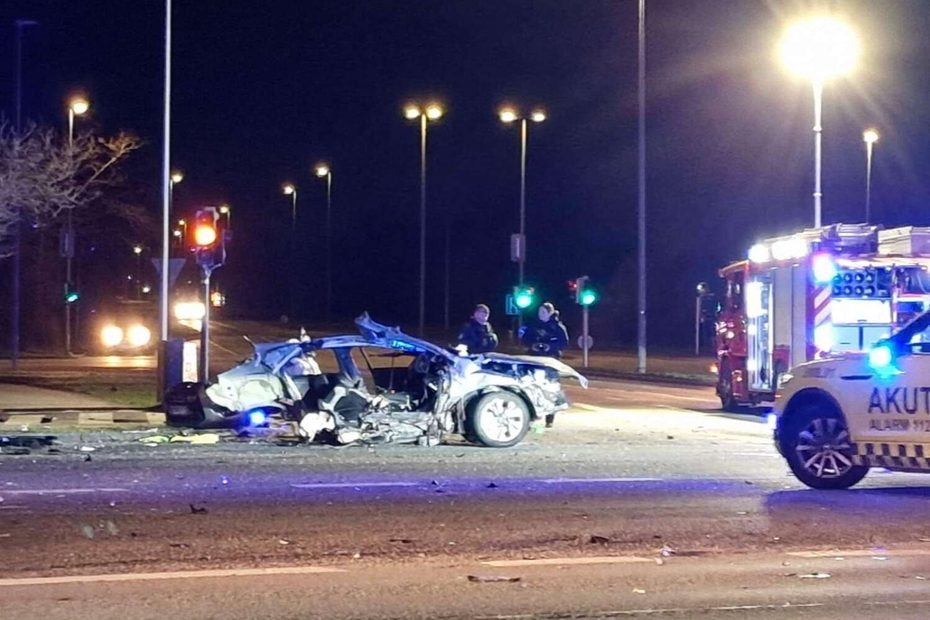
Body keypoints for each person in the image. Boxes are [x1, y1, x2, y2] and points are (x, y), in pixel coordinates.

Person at [520, 302, 569, 429]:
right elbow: (524, 339)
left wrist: (549, 347)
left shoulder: (558, 327)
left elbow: (564, 343)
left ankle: (550, 418)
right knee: (531, 388)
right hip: (534, 360)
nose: (540, 314)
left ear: (550, 313)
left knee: (550, 389)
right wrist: (532, 345)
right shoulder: (533, 325)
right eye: (539, 312)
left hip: (550, 361)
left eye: (543, 312)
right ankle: (531, 417)